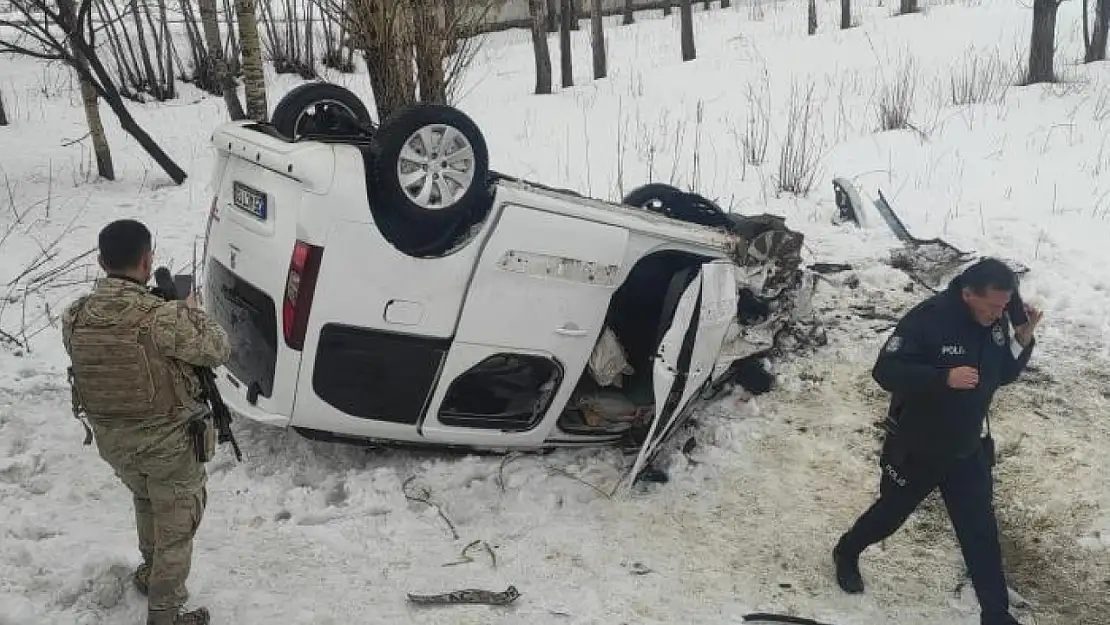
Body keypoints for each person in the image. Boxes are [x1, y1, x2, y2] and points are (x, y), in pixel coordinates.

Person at [832, 258, 1043, 625]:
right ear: (967, 294)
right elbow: (885, 371)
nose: (1000, 314)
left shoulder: (996, 323)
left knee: (980, 532)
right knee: (889, 515)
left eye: (1004, 306)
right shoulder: (928, 320)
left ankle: (996, 615)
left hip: (967, 447)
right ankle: (847, 551)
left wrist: (1022, 339)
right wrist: (943, 377)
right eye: (993, 306)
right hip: (920, 445)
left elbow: (1003, 374)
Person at [62, 220, 230, 625]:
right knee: (175, 528)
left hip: (113, 443)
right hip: (168, 445)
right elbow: (218, 349)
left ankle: (149, 573)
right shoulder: (163, 318)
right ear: (147, 259)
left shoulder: (75, 315)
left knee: (146, 502)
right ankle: (166, 615)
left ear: (101, 261)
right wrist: (191, 312)